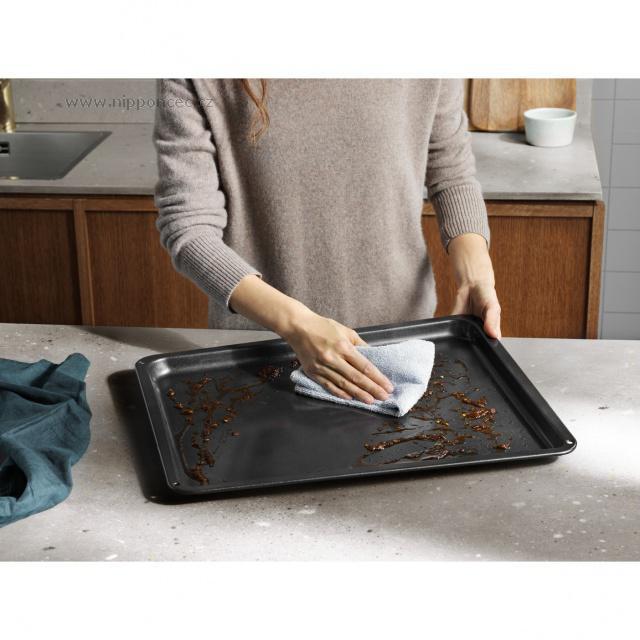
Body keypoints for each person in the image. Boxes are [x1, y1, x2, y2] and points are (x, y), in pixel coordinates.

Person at [153, 79, 501, 406]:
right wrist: (296, 324)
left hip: (394, 347)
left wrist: (475, 277)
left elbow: (451, 172)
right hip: (265, 353)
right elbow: (189, 225)